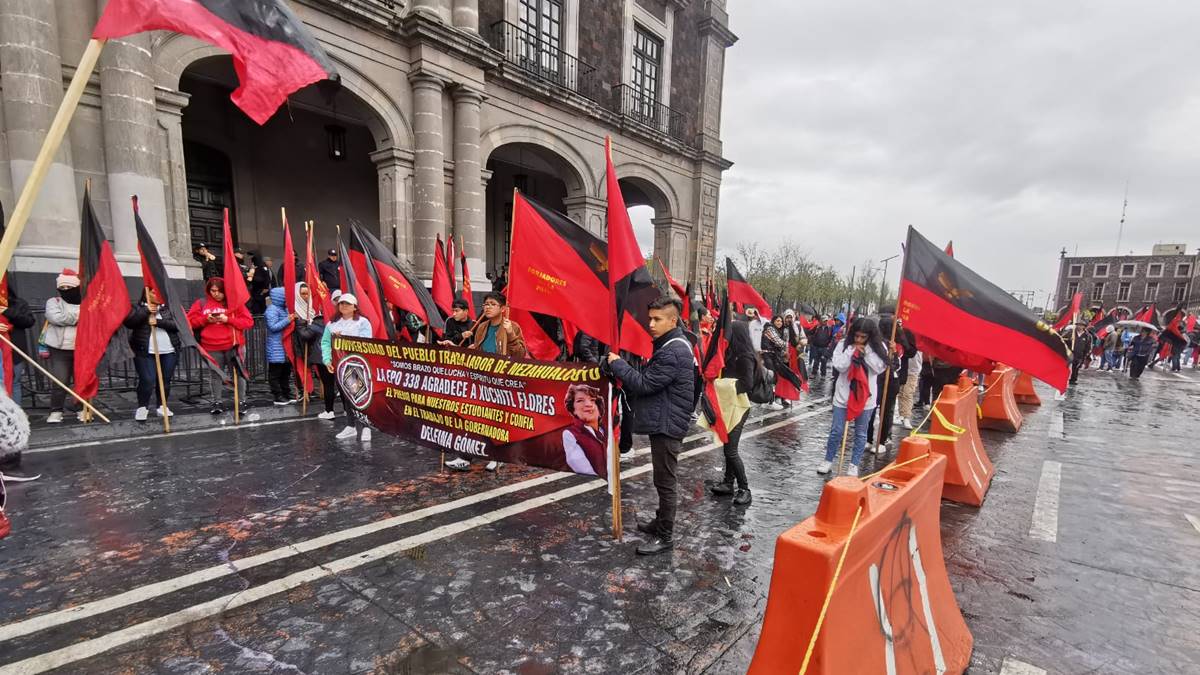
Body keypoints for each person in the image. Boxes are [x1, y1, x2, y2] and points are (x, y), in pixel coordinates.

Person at [607, 297, 697, 555]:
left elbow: (645, 384)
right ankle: (660, 523)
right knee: (661, 480)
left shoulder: (672, 350)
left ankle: (665, 537)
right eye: (650, 318)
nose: (651, 324)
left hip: (668, 425)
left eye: (657, 319)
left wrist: (617, 363)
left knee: (666, 482)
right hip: (667, 420)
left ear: (673, 320)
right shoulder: (672, 344)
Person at [817, 317, 888, 477]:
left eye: (863, 337)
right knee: (836, 430)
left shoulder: (878, 347)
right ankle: (828, 460)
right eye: (856, 336)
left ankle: (854, 464)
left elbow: (879, 369)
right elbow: (839, 366)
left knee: (861, 433)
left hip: (866, 398)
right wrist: (851, 351)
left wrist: (866, 354)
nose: (859, 340)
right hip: (843, 395)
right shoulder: (843, 345)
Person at [187, 277, 254, 416]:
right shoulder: (201, 303)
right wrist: (206, 319)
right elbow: (190, 322)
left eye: (219, 291)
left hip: (234, 346)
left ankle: (241, 401)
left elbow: (248, 322)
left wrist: (228, 319)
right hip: (211, 346)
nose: (215, 294)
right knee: (216, 375)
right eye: (212, 291)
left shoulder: (235, 304)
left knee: (238, 375)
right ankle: (217, 402)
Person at [709, 320, 757, 506]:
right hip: (728, 405)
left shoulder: (745, 356)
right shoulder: (730, 353)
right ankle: (728, 483)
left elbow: (747, 383)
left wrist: (722, 386)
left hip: (739, 406)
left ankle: (745, 488)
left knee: (731, 450)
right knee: (727, 445)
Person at [321, 294, 374, 442]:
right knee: (346, 398)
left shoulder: (362, 322)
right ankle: (350, 426)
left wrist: (342, 338)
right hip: (340, 366)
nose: (344, 306)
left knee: (360, 398)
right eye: (341, 303)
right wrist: (327, 360)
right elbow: (325, 342)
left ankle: (365, 427)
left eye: (347, 304)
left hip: (357, 365)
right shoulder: (332, 324)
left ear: (355, 307)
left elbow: (366, 342)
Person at [123, 288, 181, 421]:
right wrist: (146, 311)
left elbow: (178, 324)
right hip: (145, 351)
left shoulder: (169, 307)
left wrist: (159, 322)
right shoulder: (137, 307)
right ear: (146, 293)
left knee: (165, 380)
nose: (157, 295)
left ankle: (162, 406)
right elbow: (130, 322)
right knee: (148, 380)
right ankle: (142, 407)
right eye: (153, 292)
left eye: (158, 292)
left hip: (169, 350)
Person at [43, 270, 82, 424]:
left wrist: (75, 317)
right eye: (62, 287)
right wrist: (80, 316)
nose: (66, 290)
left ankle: (81, 408)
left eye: (69, 287)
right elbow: (55, 318)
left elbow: (92, 317)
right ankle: (56, 410)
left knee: (82, 380)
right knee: (60, 380)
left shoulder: (86, 301)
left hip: (81, 348)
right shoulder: (53, 302)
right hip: (59, 349)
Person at [293, 282, 332, 419]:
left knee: (327, 381)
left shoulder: (314, 310)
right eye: (302, 293)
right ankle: (306, 393)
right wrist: (301, 324)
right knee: (304, 372)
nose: (305, 296)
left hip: (316, 348)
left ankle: (327, 406)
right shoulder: (294, 310)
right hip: (302, 346)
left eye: (307, 293)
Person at [561, 383, 607, 476]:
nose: (588, 404)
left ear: (599, 407)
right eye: (580, 401)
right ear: (573, 409)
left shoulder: (607, 430)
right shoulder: (571, 434)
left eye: (592, 400)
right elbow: (581, 467)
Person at [0, 289, 36, 405]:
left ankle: (16, 415)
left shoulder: (18, 303)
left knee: (15, 382)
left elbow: (29, 321)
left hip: (15, 349)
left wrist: (8, 312)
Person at [469, 292, 527, 359]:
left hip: (502, 367)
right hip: (483, 367)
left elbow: (520, 355)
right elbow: (477, 351)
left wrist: (511, 334)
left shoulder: (513, 326)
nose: (488, 307)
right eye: (486, 304)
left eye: (493, 304)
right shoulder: (482, 326)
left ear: (502, 308)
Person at [264, 286, 296, 405]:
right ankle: (278, 395)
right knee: (275, 373)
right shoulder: (272, 310)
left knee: (285, 371)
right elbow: (273, 327)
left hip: (285, 344)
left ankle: (286, 392)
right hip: (276, 345)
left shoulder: (284, 309)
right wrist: (288, 319)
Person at [895, 330, 922, 429]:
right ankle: (902, 414)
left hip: (913, 371)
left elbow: (912, 352)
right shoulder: (902, 333)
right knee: (901, 392)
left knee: (907, 393)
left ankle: (906, 417)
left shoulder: (914, 337)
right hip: (902, 369)